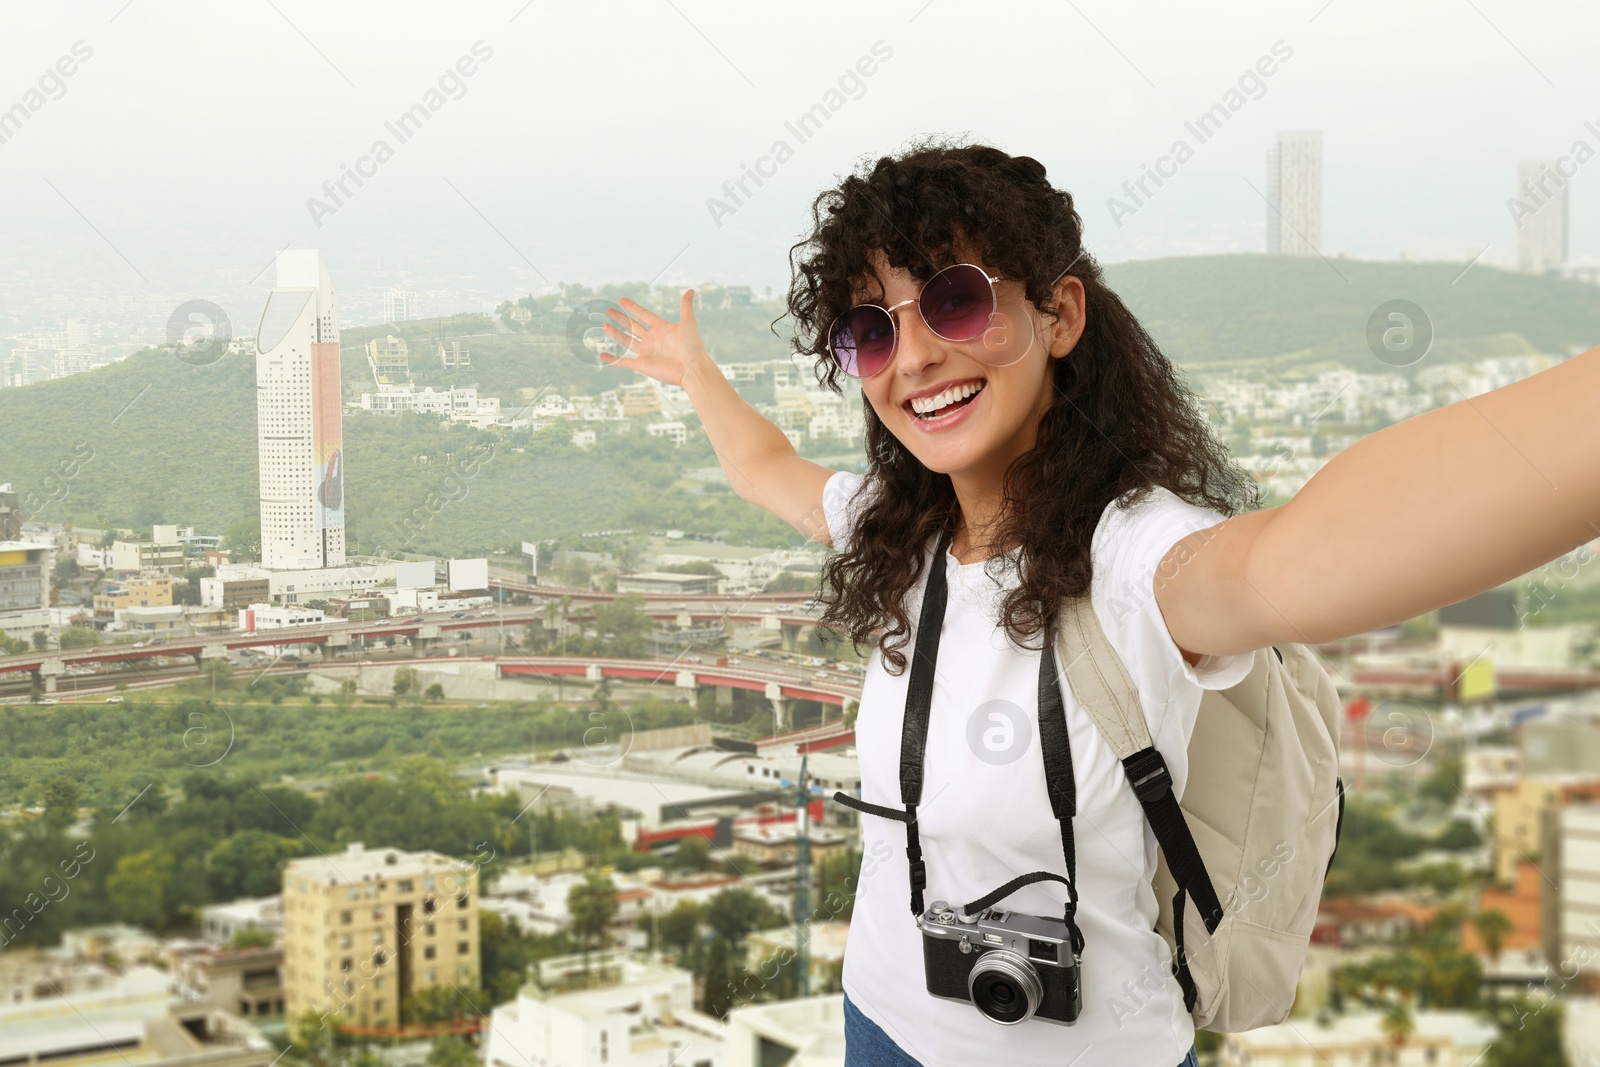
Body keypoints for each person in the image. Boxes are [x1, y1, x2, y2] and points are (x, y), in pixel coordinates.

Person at [598, 139, 1600, 1066]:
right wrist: (694, 372)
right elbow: (765, 465)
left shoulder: (1134, 556)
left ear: (1060, 315)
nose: (910, 359)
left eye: (953, 301)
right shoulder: (896, 528)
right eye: (869, 331)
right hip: (880, 1016)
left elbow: (1300, 559)